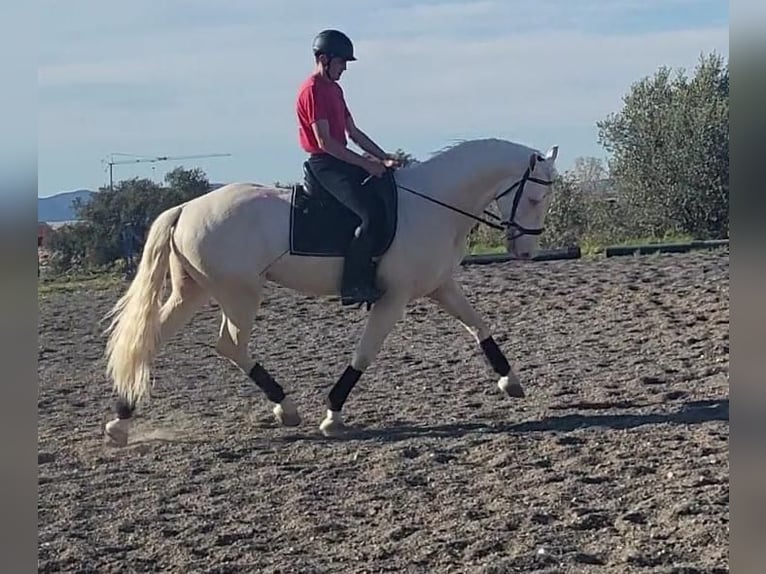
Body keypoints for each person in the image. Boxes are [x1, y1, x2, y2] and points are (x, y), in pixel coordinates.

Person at [296, 29, 400, 306]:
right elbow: (326, 142)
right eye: (342, 62)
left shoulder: (335, 89)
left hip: (340, 159)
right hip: (325, 164)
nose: (344, 68)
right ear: (324, 59)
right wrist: (367, 164)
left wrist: (383, 157)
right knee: (368, 215)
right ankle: (353, 284)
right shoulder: (312, 90)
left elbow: (353, 132)